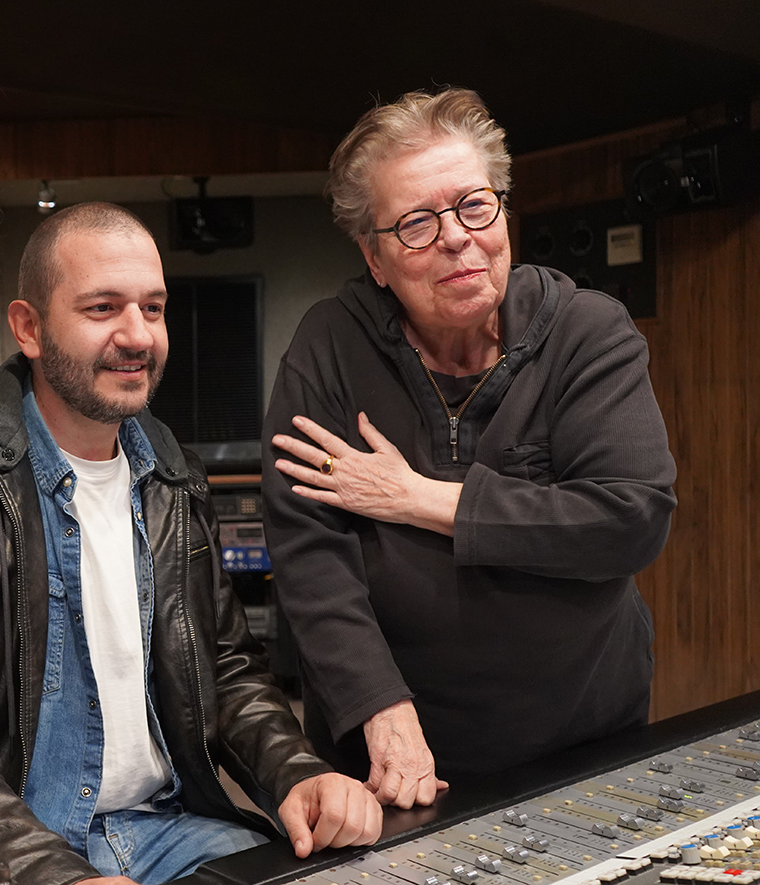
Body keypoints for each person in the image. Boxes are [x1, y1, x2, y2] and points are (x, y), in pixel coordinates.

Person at [0, 203, 382, 885]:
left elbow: (227, 670)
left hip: (167, 828)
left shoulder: (174, 477)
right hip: (9, 853)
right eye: (102, 308)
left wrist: (299, 774)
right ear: (29, 328)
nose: (138, 335)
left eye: (152, 309)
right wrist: (51, 874)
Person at [261, 87, 676, 809]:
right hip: (393, 757)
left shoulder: (589, 332)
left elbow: (629, 519)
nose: (456, 237)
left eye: (474, 205)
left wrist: (418, 498)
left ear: (503, 212)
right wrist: (380, 708)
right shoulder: (327, 345)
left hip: (581, 735)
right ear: (375, 258)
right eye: (416, 223)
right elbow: (309, 552)